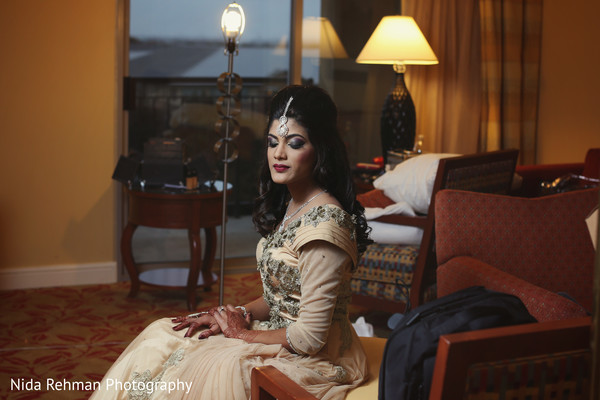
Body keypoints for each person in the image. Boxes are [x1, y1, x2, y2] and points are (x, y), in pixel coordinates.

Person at [90, 85, 372, 400]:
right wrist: (231, 313)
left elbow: (310, 338)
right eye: (272, 142)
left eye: (294, 143)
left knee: (207, 368)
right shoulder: (295, 205)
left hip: (318, 359)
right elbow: (283, 298)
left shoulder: (326, 226)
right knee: (164, 333)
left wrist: (241, 333)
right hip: (282, 339)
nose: (278, 154)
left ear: (321, 148)